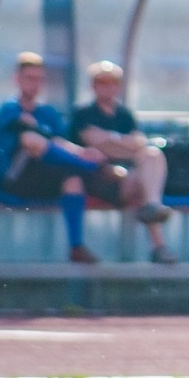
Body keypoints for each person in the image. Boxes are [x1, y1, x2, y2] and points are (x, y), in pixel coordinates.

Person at [0, 52, 118, 264]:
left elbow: (59, 142)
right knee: (32, 138)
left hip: (42, 176)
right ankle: (91, 168)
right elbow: (27, 133)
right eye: (29, 78)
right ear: (18, 80)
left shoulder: (48, 113)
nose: (34, 84)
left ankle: (76, 246)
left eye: (39, 79)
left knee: (73, 181)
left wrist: (85, 152)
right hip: (14, 179)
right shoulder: (9, 109)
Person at [69, 61, 177, 264]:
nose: (108, 87)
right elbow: (93, 143)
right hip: (98, 178)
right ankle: (159, 245)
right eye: (102, 82)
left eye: (113, 82)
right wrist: (122, 143)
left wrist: (109, 139)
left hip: (126, 178)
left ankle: (154, 208)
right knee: (144, 176)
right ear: (93, 85)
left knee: (152, 155)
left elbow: (139, 143)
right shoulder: (83, 113)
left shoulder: (124, 115)